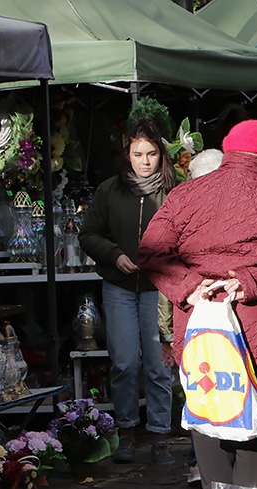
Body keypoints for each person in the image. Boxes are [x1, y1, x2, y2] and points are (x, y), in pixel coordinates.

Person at [138, 120, 257, 489]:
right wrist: (251, 280)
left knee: (211, 437)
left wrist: (191, 286)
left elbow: (150, 252)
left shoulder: (184, 196)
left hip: (203, 337)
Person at [79, 118, 176, 466]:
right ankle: (126, 433)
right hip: (119, 285)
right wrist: (114, 254)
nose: (145, 161)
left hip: (158, 288)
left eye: (151, 153)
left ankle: (161, 435)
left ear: (161, 154)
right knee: (123, 362)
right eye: (138, 154)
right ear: (127, 154)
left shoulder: (174, 191)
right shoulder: (109, 190)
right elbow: (88, 234)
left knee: (158, 365)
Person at [156, 148, 225, 487]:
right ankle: (199, 460)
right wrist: (167, 333)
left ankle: (212, 461)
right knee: (199, 388)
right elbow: (162, 273)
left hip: (224, 318)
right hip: (193, 318)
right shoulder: (179, 217)